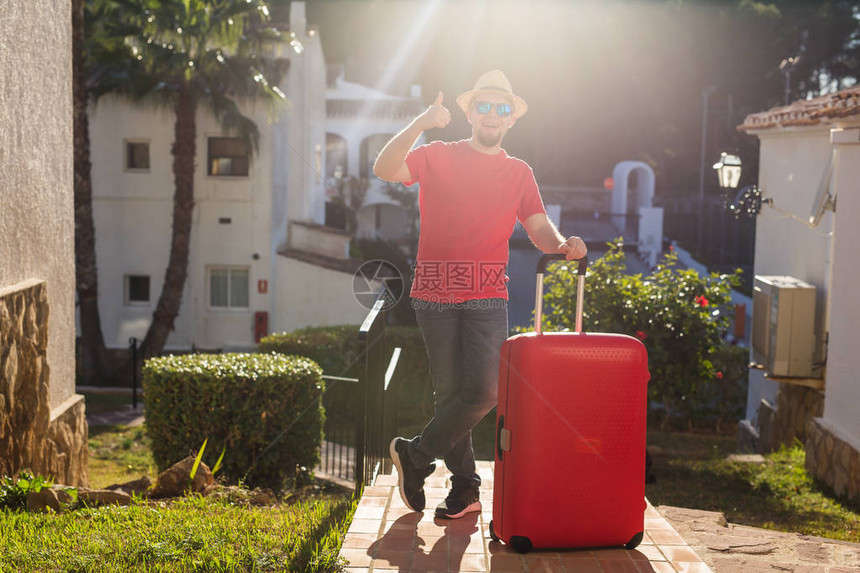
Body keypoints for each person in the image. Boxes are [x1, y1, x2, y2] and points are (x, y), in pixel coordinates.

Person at [373, 70, 587, 519]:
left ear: (511, 120)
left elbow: (538, 226)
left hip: (488, 291)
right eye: (485, 106)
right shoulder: (435, 154)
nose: (493, 114)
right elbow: (384, 168)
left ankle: (415, 454)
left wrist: (564, 244)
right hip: (433, 288)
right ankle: (466, 489)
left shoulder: (518, 172)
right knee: (449, 394)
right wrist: (420, 123)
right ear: (470, 112)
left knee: (487, 390)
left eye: (502, 108)